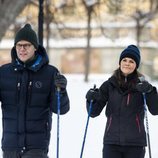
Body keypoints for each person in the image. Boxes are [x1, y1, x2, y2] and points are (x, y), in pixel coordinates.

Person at [0, 23, 70, 158]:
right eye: (19, 45)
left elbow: (61, 109)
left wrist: (61, 91)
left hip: (36, 147)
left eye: (26, 45)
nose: (22, 49)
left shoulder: (50, 73)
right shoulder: (4, 73)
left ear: (35, 48)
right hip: (10, 146)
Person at [86, 45, 158, 158]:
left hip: (135, 143)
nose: (127, 63)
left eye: (131, 61)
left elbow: (155, 110)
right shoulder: (109, 85)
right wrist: (91, 99)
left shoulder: (142, 86)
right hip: (112, 143)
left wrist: (150, 91)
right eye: (124, 60)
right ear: (119, 62)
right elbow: (93, 112)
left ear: (136, 65)